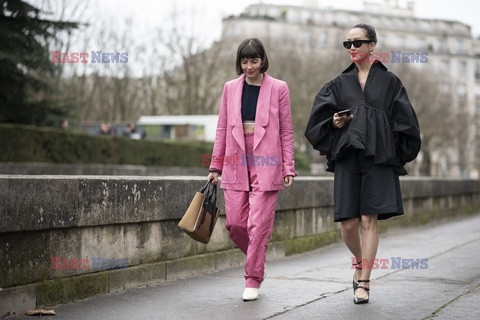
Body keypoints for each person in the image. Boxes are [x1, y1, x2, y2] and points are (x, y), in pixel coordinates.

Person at [305, 24, 421, 304]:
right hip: (347, 157)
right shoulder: (337, 84)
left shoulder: (391, 82)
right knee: (347, 224)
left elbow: (407, 123)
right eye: (347, 44)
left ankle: (365, 283)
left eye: (358, 42)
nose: (352, 47)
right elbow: (316, 124)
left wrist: (394, 149)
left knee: (369, 219)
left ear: (372, 45)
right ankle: (360, 262)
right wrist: (334, 121)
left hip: (378, 157)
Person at [207, 38, 296, 301]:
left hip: (267, 159)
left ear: (262, 60)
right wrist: (215, 165)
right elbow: (222, 128)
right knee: (235, 224)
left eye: (254, 61)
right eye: (244, 61)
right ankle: (257, 258)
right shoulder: (230, 88)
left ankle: (252, 278)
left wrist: (288, 166)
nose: (249, 66)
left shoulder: (279, 88)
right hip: (235, 158)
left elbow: (287, 131)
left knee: (258, 225)